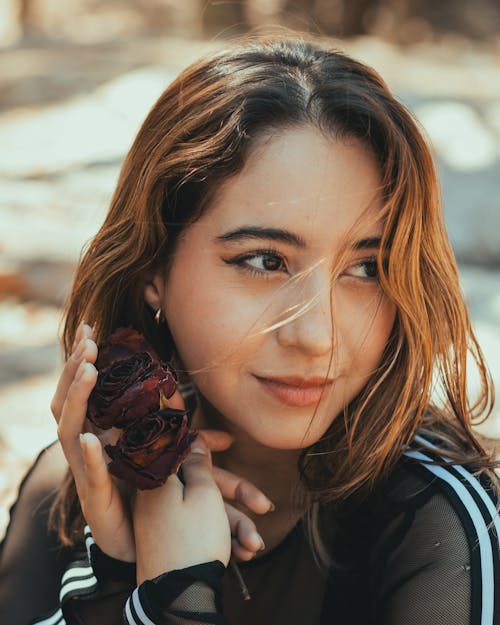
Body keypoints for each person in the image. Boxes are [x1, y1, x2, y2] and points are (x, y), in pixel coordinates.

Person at [1, 33, 499, 625]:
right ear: (154, 265)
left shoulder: (441, 526)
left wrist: (171, 600)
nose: (317, 335)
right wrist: (115, 569)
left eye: (367, 268)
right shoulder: (74, 489)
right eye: (264, 261)